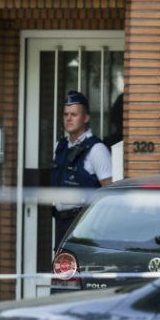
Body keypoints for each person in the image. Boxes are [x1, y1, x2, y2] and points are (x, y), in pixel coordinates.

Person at [52, 91, 112, 248]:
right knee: (63, 270)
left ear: (86, 118)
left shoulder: (97, 150)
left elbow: (110, 193)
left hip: (86, 225)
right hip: (61, 224)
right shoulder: (60, 146)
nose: (69, 118)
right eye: (66, 114)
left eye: (74, 114)